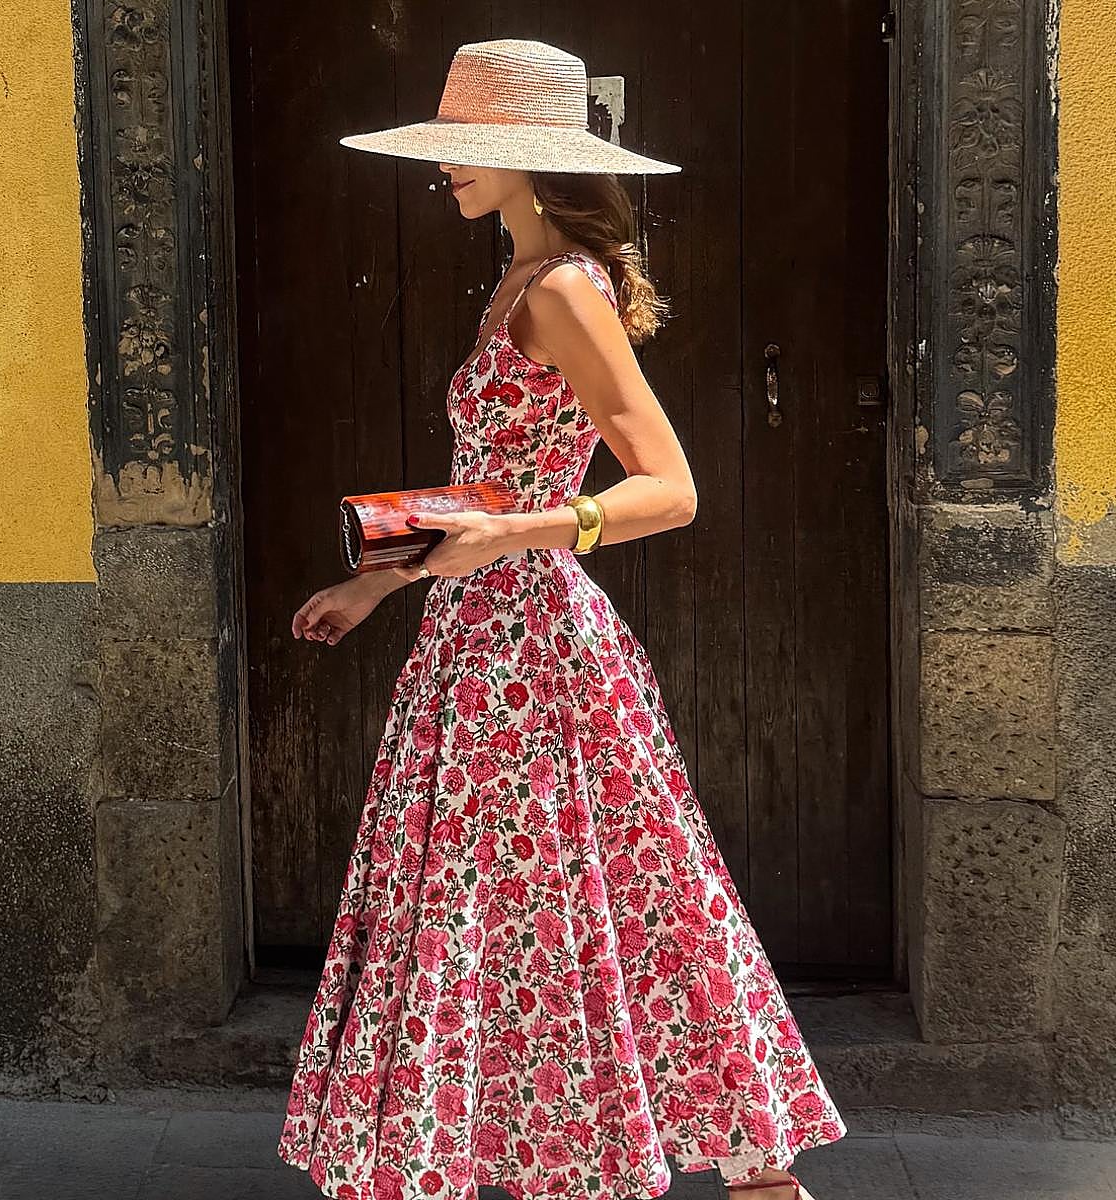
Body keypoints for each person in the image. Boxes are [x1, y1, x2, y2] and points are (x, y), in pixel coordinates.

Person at [277, 37, 846, 1200]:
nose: (446, 172)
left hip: (536, 645)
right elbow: (487, 483)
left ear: (533, 160)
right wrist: (380, 579)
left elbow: (670, 489)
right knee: (533, 894)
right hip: (473, 635)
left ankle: (741, 1167)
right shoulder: (511, 284)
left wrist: (519, 538)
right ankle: (678, 1164)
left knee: (588, 890)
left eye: (468, 152)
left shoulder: (566, 291)